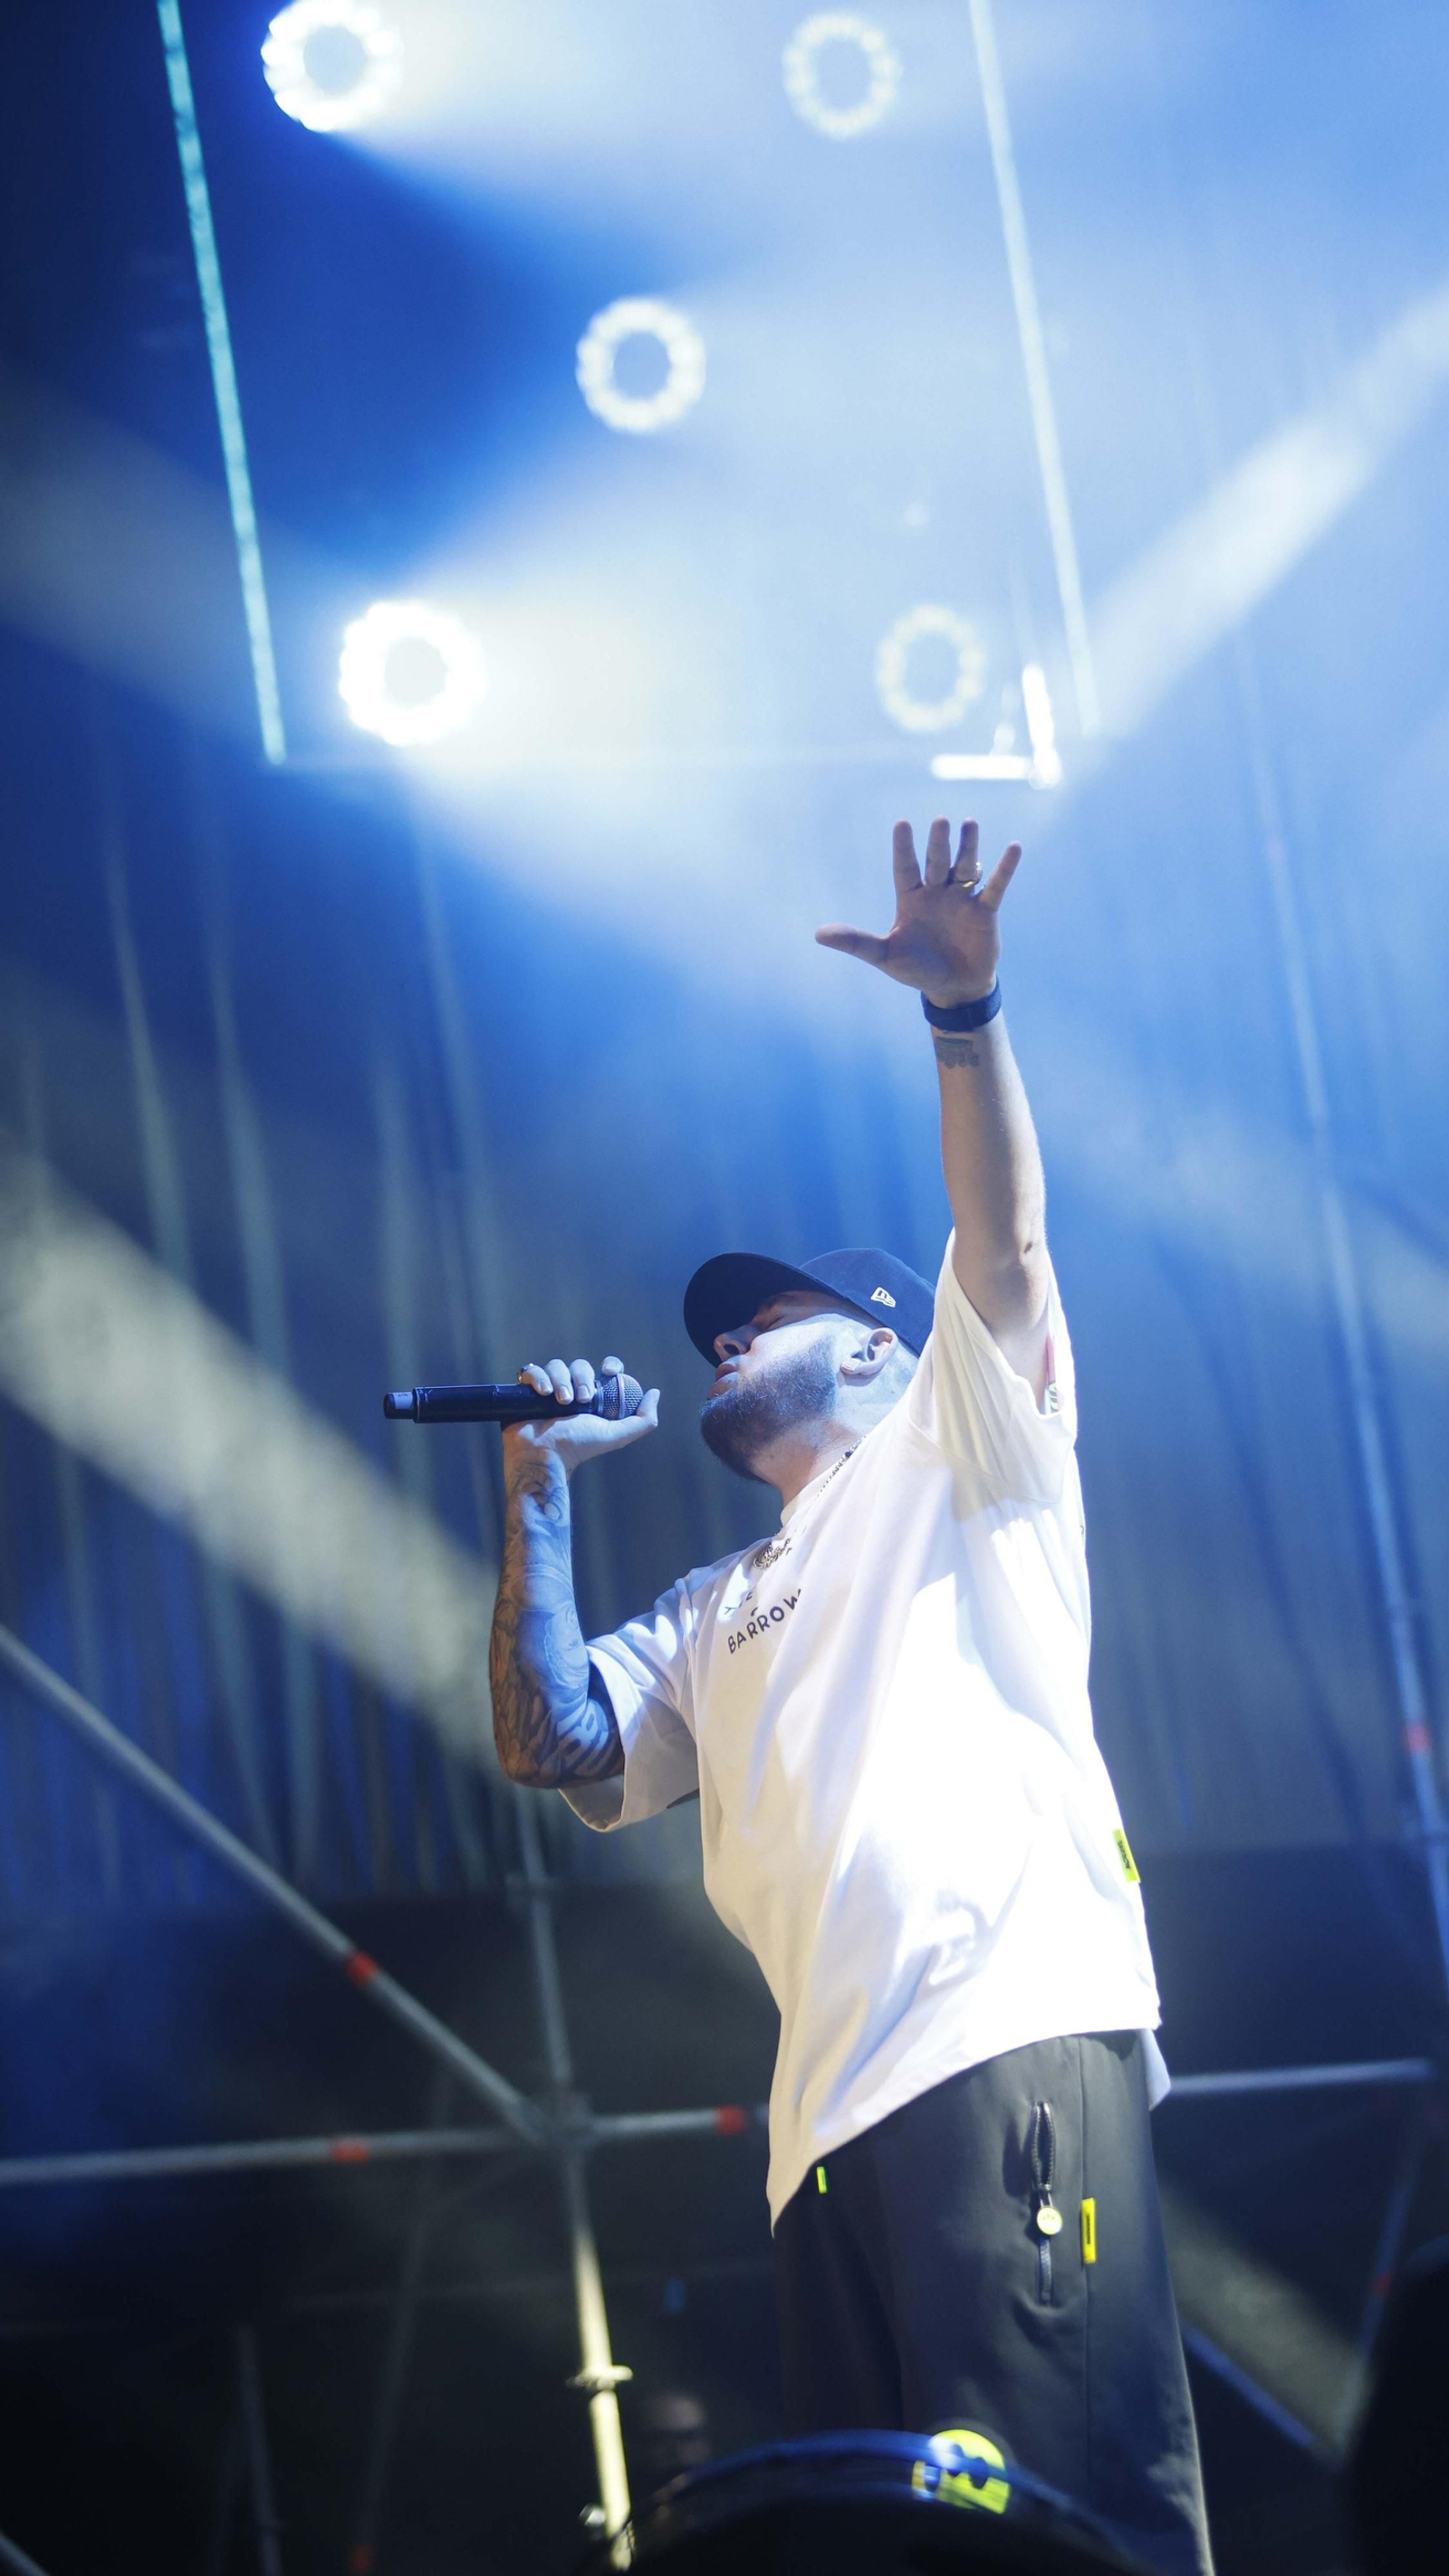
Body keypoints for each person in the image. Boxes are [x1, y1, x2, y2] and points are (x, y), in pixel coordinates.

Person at [489, 819, 1213, 2576]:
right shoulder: (711, 1604)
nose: (724, 1334)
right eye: (719, 1325)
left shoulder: (963, 1447)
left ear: (888, 1347)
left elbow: (1006, 1235)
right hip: (824, 2130)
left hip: (1001, 2034)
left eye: (772, 1315)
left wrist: (961, 1019)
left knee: (1069, 2518)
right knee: (901, 2549)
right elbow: (551, 1741)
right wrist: (531, 1494)